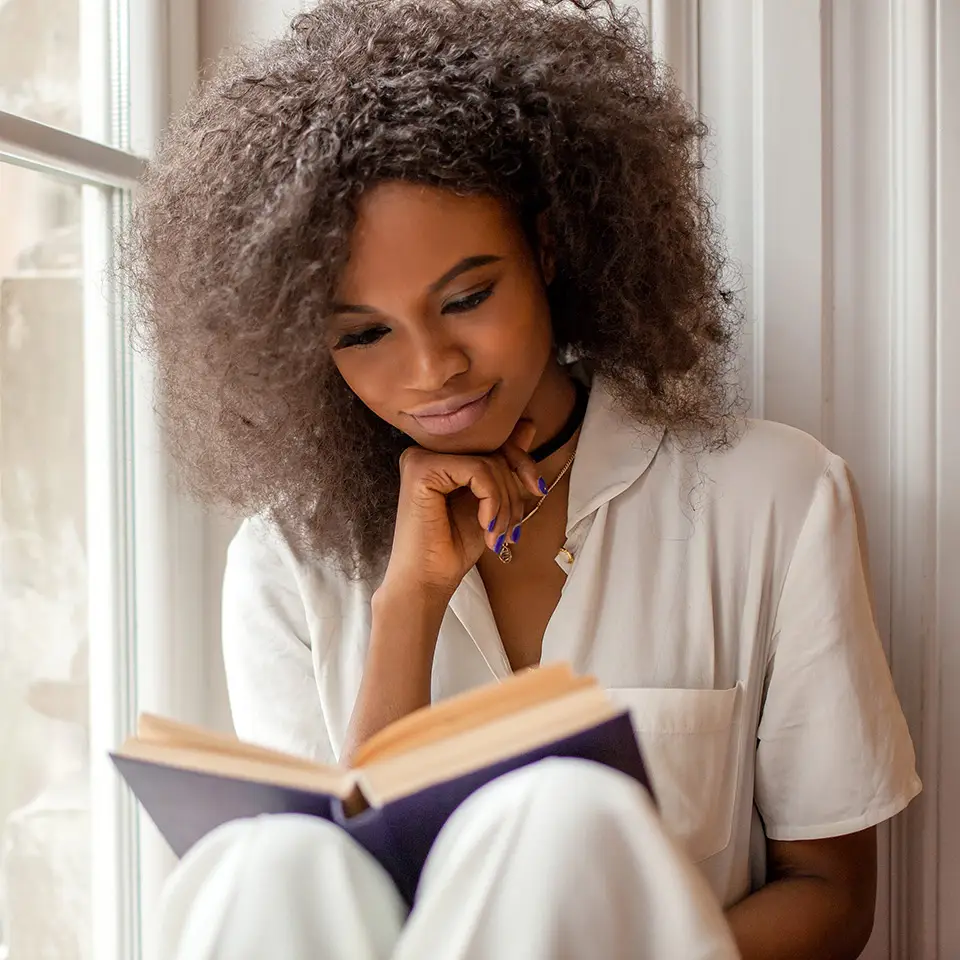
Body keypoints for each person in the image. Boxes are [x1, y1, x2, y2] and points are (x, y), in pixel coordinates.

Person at [124, 0, 921, 956]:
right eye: (364, 333)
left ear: (546, 250)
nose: (432, 370)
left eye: (466, 297)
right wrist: (407, 606)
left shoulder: (775, 498)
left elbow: (831, 894)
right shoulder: (283, 558)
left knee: (556, 818)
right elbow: (336, 905)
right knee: (263, 862)